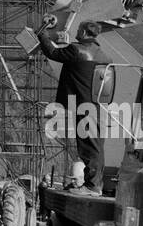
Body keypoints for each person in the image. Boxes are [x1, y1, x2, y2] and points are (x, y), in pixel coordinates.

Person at [37, 13, 128, 193]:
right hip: (98, 106)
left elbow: (53, 52)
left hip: (82, 106)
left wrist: (42, 33)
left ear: (85, 32)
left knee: (88, 148)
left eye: (79, 30)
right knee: (96, 147)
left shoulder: (77, 51)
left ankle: (92, 187)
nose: (77, 32)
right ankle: (94, 184)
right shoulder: (105, 56)